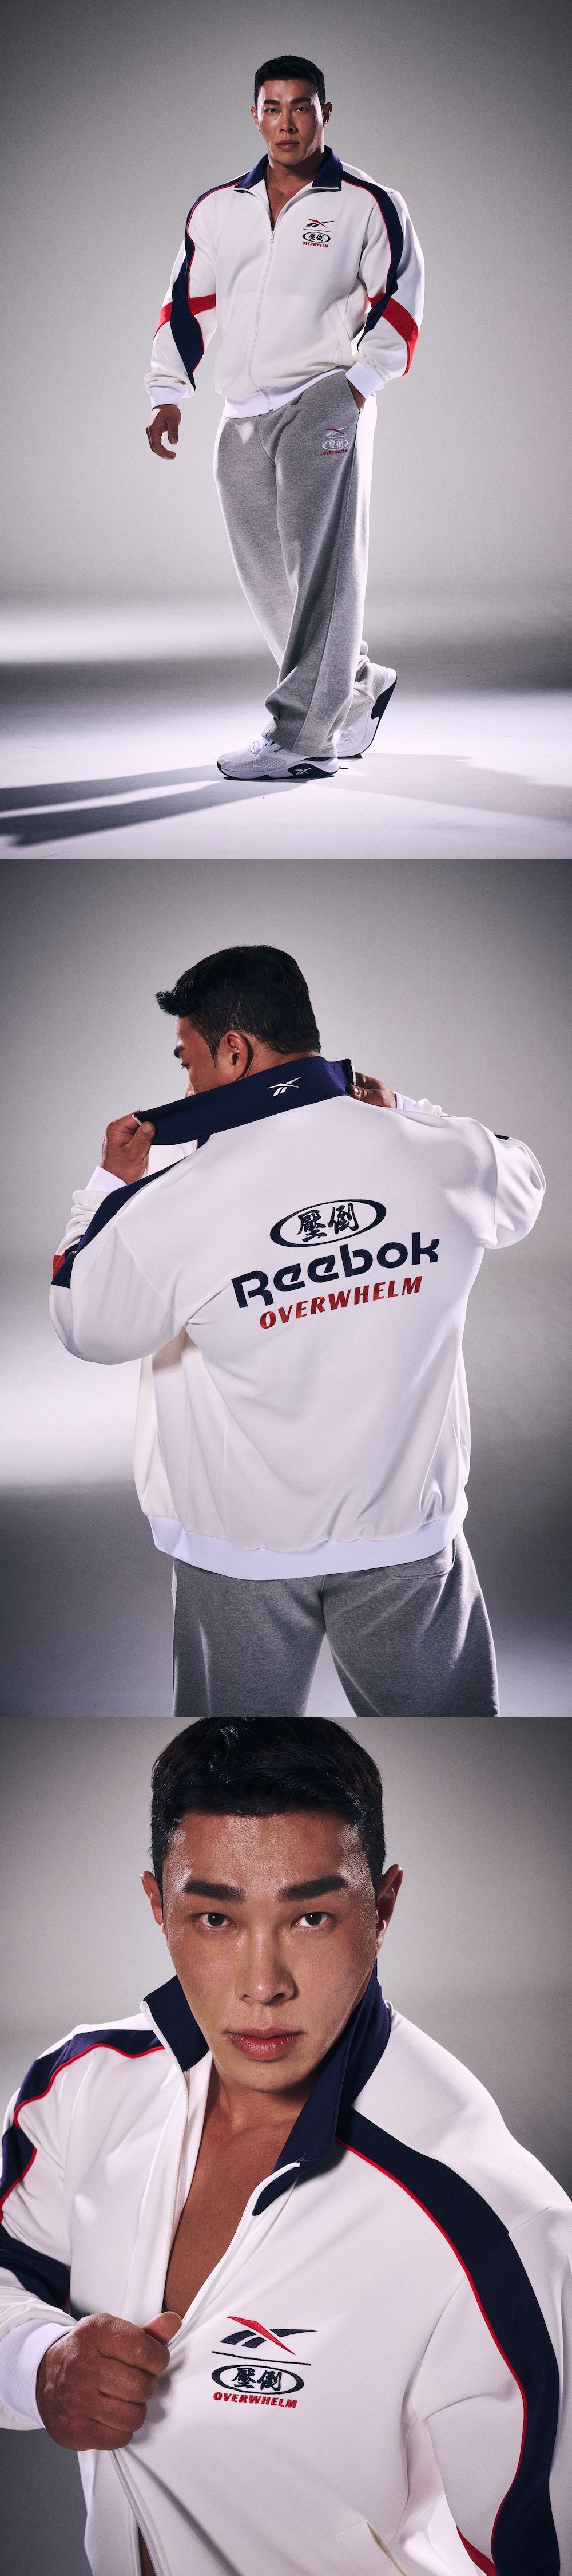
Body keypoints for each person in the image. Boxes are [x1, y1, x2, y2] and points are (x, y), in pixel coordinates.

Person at [0, 1717, 569, 2576]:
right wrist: (39, 2365)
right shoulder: (82, 2086)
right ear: (158, 1908)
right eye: (215, 1918)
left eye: (310, 1917)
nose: (263, 1984)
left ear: (383, 1908)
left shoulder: (492, 2222)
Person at [49, 942, 545, 1720]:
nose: (187, 1086)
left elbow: (87, 1324)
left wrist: (105, 1190)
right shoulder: (449, 1157)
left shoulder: (172, 1205)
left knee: (232, 1761)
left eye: (189, 1061)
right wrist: (406, 1112)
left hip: (238, 1550)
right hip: (409, 1537)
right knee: (452, 1737)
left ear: (234, 1051)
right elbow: (524, 1181)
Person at [145, 54, 424, 780]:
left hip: (321, 397)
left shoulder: (366, 202)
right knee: (269, 576)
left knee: (324, 570)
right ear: (255, 116)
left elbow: (399, 297)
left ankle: (303, 738)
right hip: (241, 410)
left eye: (302, 106)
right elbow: (189, 304)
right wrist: (168, 390)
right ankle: (356, 685)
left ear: (324, 113)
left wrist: (358, 386)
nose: (287, 122)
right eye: (273, 107)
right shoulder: (218, 208)